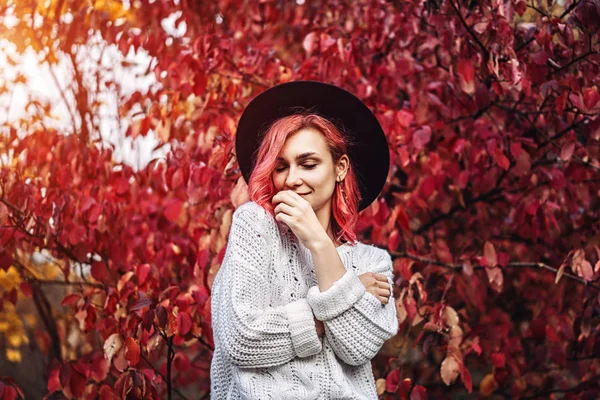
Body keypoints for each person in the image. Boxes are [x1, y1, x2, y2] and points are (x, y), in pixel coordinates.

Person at [210, 81, 398, 399]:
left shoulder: (372, 262)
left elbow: (358, 348)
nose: (292, 179)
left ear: (340, 168)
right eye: (281, 167)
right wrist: (346, 296)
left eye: (308, 164)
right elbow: (242, 339)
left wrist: (319, 242)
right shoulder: (255, 226)